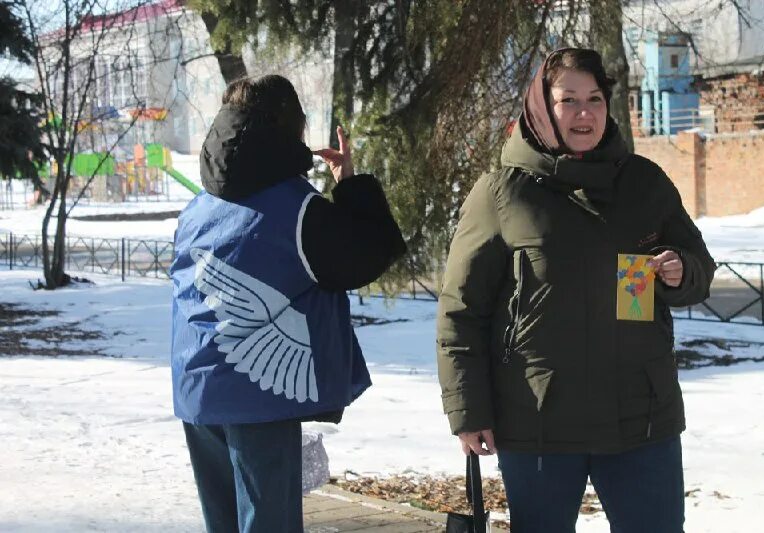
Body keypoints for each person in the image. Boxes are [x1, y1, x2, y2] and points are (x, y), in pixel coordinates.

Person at [436, 48, 715, 532]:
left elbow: (698, 268)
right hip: (538, 422)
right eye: (568, 100)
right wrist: (468, 411)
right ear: (543, 106)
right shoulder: (503, 191)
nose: (584, 113)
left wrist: (680, 271)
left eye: (595, 99)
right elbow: (462, 310)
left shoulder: (643, 183)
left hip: (641, 418)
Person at [170, 74, 406, 533]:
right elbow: (368, 254)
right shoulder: (299, 208)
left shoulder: (198, 206)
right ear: (292, 129)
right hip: (259, 399)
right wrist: (350, 183)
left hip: (198, 389)